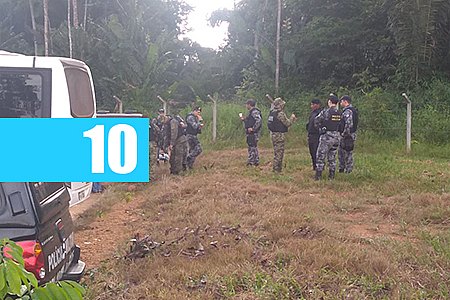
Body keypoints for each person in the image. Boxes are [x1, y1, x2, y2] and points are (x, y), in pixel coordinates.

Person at [313, 94, 342, 180]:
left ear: (329, 102)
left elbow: (316, 120)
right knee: (332, 157)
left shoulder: (326, 112)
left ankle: (318, 176)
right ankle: (331, 176)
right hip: (337, 137)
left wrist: (320, 129)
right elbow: (342, 124)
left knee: (321, 156)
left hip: (327, 137)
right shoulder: (340, 113)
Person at [268, 97, 297, 172]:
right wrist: (292, 118)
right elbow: (287, 123)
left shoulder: (272, 112)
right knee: (279, 153)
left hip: (273, 134)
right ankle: (277, 169)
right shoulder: (280, 113)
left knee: (276, 152)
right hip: (279, 136)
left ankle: (276, 168)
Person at [339, 95, 358, 173]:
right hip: (350, 133)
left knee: (347, 152)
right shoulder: (352, 110)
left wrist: (344, 134)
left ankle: (348, 169)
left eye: (341, 101)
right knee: (342, 152)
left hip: (348, 135)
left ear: (345, 101)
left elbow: (348, 124)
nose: (340, 103)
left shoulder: (348, 111)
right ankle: (342, 168)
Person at [240, 99, 262, 166]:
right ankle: (255, 161)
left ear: (249, 104)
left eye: (246, 104)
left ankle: (252, 161)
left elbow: (258, 120)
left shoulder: (254, 112)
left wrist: (253, 128)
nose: (246, 106)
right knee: (252, 146)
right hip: (251, 132)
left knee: (252, 146)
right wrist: (244, 119)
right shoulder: (251, 112)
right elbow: (251, 120)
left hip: (253, 133)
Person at [306, 99, 322, 170]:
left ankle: (318, 167)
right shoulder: (312, 113)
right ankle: (314, 166)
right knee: (312, 151)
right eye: (311, 104)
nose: (311, 106)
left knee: (316, 152)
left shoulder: (320, 113)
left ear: (317, 105)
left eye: (313, 104)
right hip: (311, 135)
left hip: (317, 135)